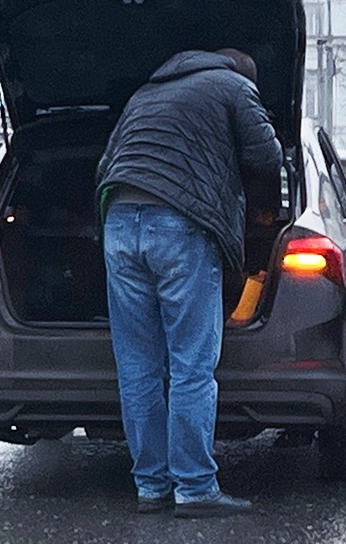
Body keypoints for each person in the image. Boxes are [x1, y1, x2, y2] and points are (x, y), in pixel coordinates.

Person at [96, 49, 283, 518]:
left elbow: (105, 166)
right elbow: (266, 157)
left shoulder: (146, 92)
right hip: (179, 225)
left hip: (119, 221)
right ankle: (195, 487)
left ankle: (151, 486)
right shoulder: (235, 86)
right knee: (191, 366)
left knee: (137, 366)